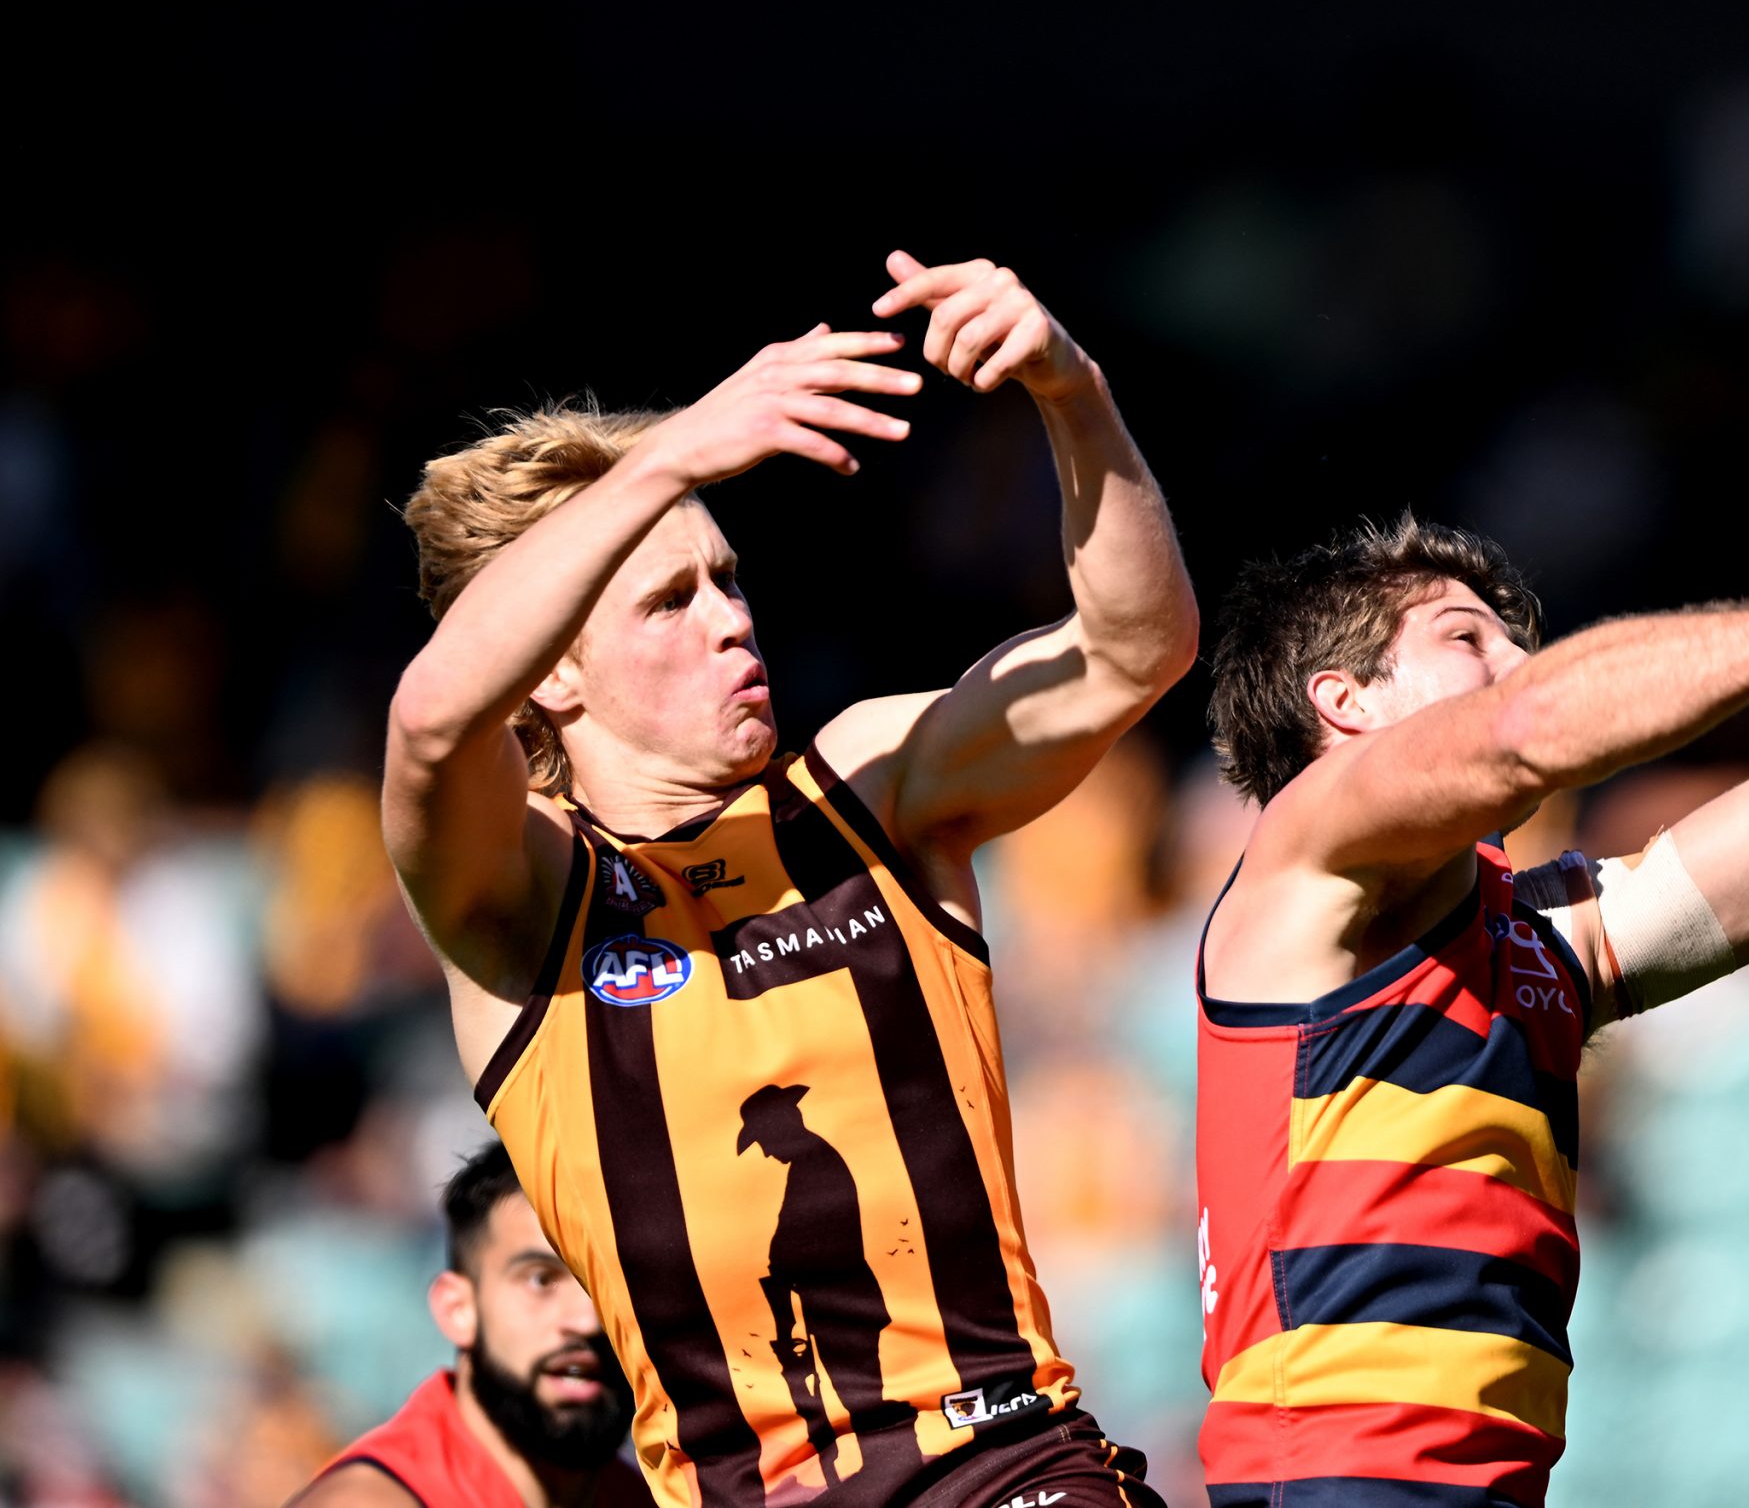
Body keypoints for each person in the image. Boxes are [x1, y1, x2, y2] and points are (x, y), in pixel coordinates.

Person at [1194, 329, 1749, 1506]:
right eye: (1465, 639)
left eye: (1514, 639)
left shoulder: (1539, 943)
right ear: (1343, 702)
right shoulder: (1307, 859)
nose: (1511, 661)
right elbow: (1529, 731)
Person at [382, 254, 1194, 1507]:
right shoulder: (521, 903)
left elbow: (1135, 649)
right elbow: (433, 723)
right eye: (667, 601)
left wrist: (1070, 390)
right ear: (551, 674)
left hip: (1004, 1463)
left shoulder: (867, 788)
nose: (729, 621)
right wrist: (666, 458)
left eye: (728, 579)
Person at [293, 1141, 650, 1508]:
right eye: (540, 1280)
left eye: (611, 1284)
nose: (587, 1319)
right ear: (458, 1309)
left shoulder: (647, 1495)